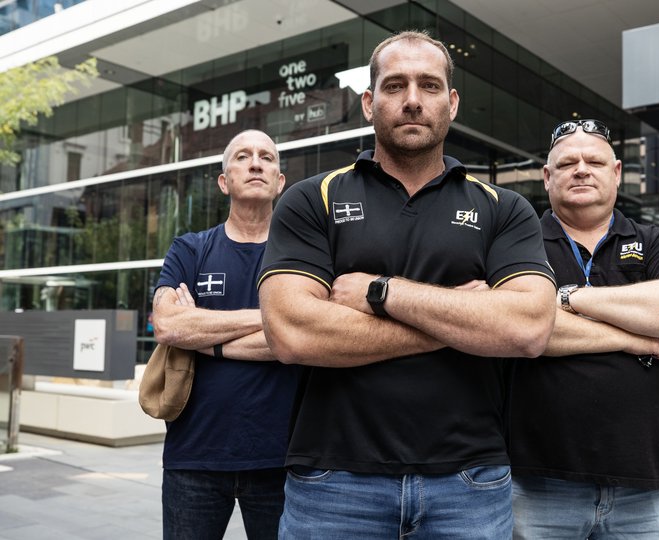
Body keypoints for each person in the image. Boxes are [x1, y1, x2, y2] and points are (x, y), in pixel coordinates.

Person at [257, 31, 557, 539]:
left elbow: (528, 328)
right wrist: (465, 322)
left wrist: (381, 293)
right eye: (395, 86)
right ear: (370, 103)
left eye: (429, 85)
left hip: (470, 483)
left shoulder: (504, 209)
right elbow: (292, 331)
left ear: (452, 102)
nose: (413, 100)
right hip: (333, 481)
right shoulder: (313, 200)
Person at [509, 119, 659, 539]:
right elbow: (518, 326)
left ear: (616, 172)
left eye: (594, 160)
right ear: (547, 177)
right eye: (567, 163)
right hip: (537, 484)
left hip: (648, 484)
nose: (581, 169)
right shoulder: (515, 244)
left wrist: (568, 298)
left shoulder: (656, 241)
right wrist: (636, 336)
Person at [151, 129, 300, 539]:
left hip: (282, 460)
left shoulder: (301, 255)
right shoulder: (190, 249)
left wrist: (204, 334)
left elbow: (304, 337)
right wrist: (272, 317)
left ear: (280, 181)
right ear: (224, 181)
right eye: (243, 157)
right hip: (193, 458)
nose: (256, 163)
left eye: (267, 157)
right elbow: (168, 324)